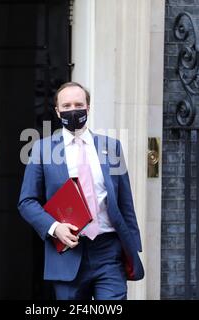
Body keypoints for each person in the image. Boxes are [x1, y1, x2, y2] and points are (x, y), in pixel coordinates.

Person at [17, 82, 144, 300]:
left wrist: (133, 246)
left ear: (88, 108)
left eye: (78, 104)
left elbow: (125, 202)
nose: (73, 109)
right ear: (57, 111)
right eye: (66, 105)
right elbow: (26, 202)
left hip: (108, 251)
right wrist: (55, 228)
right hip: (68, 253)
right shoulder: (42, 149)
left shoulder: (111, 147)